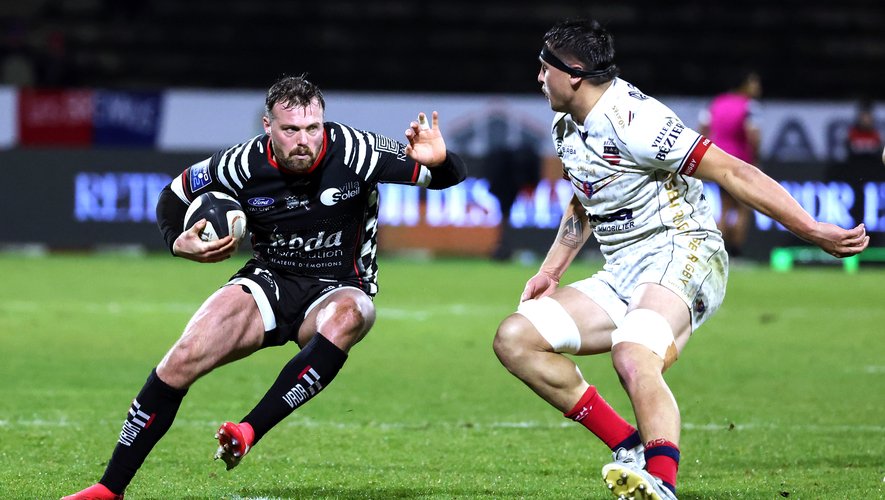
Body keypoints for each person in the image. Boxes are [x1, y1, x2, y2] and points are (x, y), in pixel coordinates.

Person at [492, 19, 868, 500]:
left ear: (576, 74)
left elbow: (733, 171)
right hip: (623, 268)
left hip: (684, 250)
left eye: (545, 68)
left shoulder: (637, 122)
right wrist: (551, 270)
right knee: (516, 338)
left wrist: (810, 228)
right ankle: (628, 447)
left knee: (632, 353)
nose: (539, 78)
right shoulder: (567, 124)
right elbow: (583, 199)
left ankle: (662, 484)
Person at [63, 75, 467, 500]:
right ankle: (109, 488)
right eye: (290, 129)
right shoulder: (241, 163)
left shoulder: (358, 151)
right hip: (269, 281)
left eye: (312, 128)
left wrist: (442, 161)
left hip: (340, 285)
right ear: (267, 126)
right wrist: (176, 241)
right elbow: (173, 195)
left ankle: (248, 430)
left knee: (353, 313)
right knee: (181, 358)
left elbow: (448, 175)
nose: (303, 141)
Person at [698, 70, 763, 258]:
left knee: (725, 207)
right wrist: (755, 159)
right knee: (743, 208)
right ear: (743, 84)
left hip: (716, 160)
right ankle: (735, 253)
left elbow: (702, 129)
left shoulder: (716, 103)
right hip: (740, 161)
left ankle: (717, 251)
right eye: (753, 82)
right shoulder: (750, 106)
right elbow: (753, 135)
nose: (757, 86)